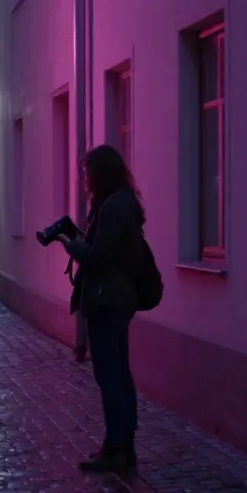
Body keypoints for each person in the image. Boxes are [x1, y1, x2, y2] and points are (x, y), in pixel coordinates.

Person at [62, 145, 145, 472]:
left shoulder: (112, 208)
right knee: (119, 373)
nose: (85, 179)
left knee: (110, 375)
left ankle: (116, 448)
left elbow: (100, 257)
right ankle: (124, 445)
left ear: (100, 174)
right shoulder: (124, 203)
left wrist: (73, 246)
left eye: (87, 173)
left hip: (107, 299)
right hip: (118, 298)